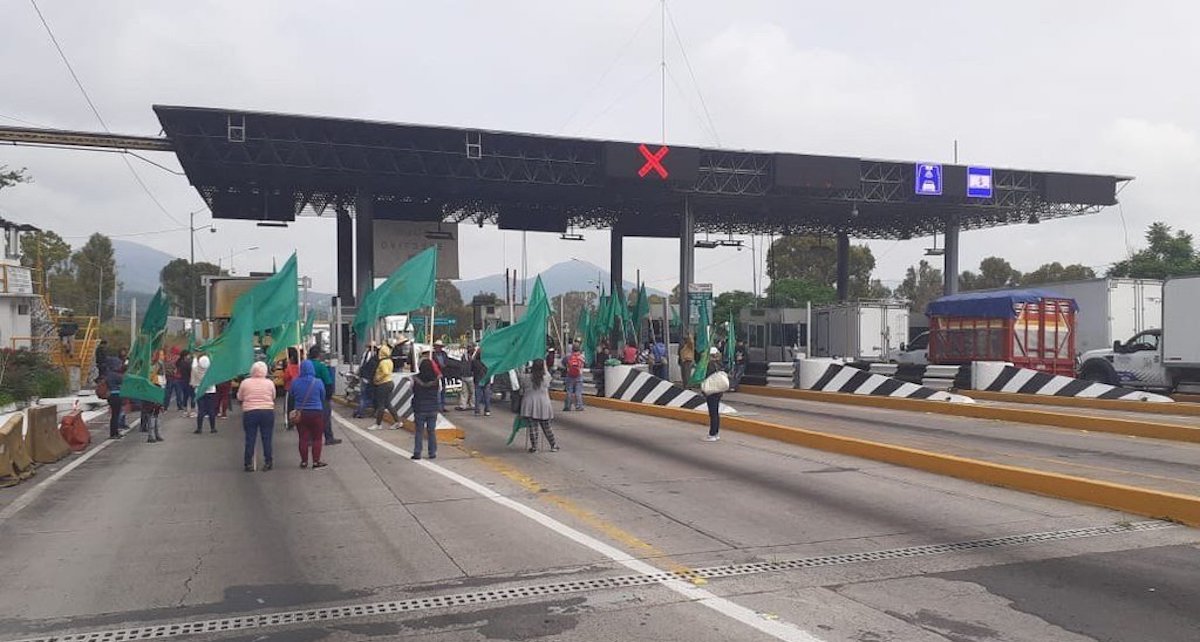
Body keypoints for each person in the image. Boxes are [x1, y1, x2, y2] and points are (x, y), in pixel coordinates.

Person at [237, 361, 277, 471]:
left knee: (250, 438)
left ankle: (248, 463)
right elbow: (273, 396)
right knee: (267, 438)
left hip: (250, 412)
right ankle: (268, 462)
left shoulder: (245, 383)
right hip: (267, 411)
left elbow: (240, 397)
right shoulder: (269, 383)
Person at [290, 359, 328, 469]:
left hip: (301, 414)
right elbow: (323, 397)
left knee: (303, 438)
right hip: (316, 413)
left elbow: (292, 395)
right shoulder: (318, 382)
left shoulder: (295, 382)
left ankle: (304, 461)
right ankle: (316, 461)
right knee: (317, 438)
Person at [519, 359, 558, 453]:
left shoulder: (526, 377)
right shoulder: (546, 377)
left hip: (529, 403)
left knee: (533, 426)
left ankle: (534, 447)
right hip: (543, 403)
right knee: (546, 426)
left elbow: (521, 382)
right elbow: (547, 372)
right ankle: (553, 445)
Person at [308, 346, 341, 445]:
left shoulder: (306, 365)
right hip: (321, 395)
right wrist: (329, 396)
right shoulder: (321, 366)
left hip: (308, 394)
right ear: (319, 355)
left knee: (310, 417)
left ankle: (310, 438)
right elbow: (328, 382)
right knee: (325, 417)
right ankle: (328, 438)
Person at [411, 358, 440, 460]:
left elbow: (413, 391)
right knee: (431, 431)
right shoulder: (436, 380)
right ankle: (432, 452)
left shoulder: (416, 379)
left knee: (419, 431)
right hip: (433, 408)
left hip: (420, 408)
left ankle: (417, 452)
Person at [140, 350, 166, 443]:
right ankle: (152, 435)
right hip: (152, 389)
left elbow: (162, 379)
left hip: (154, 389)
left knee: (155, 413)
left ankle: (156, 434)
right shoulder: (149, 366)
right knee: (152, 413)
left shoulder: (157, 365)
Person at [703, 347, 724, 442]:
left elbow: (706, 376)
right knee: (716, 412)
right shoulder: (720, 364)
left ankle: (712, 434)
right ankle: (716, 433)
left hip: (712, 390)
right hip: (719, 390)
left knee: (712, 413)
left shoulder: (710, 365)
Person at [192, 355, 218, 434]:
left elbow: (193, 364)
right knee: (211, 410)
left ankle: (199, 428)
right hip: (210, 391)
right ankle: (213, 428)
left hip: (199, 391)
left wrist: (195, 356)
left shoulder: (195, 370)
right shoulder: (212, 371)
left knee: (201, 410)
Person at [373, 343, 395, 429]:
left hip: (383, 384)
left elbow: (385, 372)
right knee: (388, 404)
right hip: (389, 382)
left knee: (381, 404)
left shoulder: (383, 362)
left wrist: (378, 378)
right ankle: (397, 421)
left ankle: (378, 424)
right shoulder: (390, 361)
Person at [354, 341, 378, 418]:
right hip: (370, 378)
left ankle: (359, 411)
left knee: (363, 395)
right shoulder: (374, 356)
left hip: (364, 377)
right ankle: (360, 411)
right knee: (370, 395)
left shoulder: (365, 354)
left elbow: (361, 365)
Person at [103, 360, 124, 440]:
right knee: (116, 415)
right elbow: (123, 380)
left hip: (110, 396)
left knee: (114, 415)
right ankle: (114, 433)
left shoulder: (108, 375)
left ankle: (114, 432)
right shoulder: (116, 375)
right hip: (116, 395)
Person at [562, 345, 585, 412]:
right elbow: (585, 364)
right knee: (578, 392)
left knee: (569, 391)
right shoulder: (581, 357)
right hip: (579, 376)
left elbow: (562, 363)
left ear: (572, 349)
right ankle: (579, 406)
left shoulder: (568, 357)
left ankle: (567, 406)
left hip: (569, 376)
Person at [431, 340, 450, 412]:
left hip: (444, 373)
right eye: (437, 347)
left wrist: (445, 366)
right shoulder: (432, 355)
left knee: (443, 390)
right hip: (436, 374)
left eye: (439, 347)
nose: (438, 348)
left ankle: (442, 406)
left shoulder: (444, 354)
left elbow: (447, 361)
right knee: (438, 390)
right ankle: (438, 407)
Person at [457, 344, 476, 411]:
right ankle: (468, 405)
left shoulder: (465, 356)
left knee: (468, 392)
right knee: (469, 391)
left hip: (468, 375)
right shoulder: (472, 356)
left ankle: (464, 405)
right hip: (468, 375)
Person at [471, 348, 490, 416]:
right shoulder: (487, 362)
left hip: (477, 380)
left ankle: (477, 411)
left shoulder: (474, 362)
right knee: (486, 396)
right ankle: (487, 410)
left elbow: (472, 370)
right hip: (486, 380)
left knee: (477, 397)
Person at [175, 350, 194, 415]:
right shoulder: (187, 363)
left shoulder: (179, 363)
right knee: (192, 395)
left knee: (185, 395)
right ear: (185, 356)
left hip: (182, 380)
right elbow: (190, 372)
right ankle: (192, 409)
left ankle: (185, 409)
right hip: (188, 380)